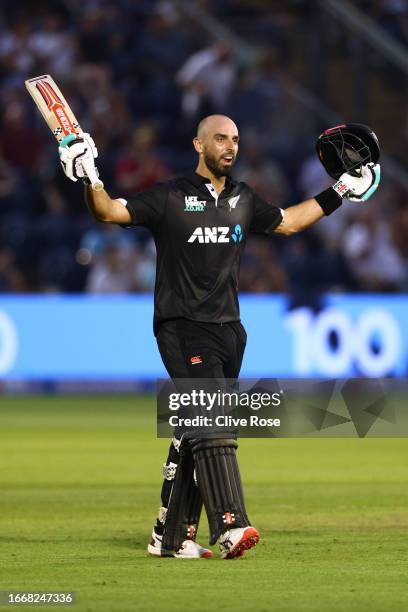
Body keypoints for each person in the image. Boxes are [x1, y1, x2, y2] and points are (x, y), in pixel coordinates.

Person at [59, 114, 380, 559]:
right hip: (181, 326)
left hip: (230, 330)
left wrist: (342, 191)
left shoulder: (243, 198)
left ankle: (168, 538)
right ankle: (231, 523)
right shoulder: (170, 196)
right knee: (214, 421)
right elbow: (109, 210)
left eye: (236, 139)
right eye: (221, 139)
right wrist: (89, 176)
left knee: (195, 428)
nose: (230, 146)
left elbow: (289, 221)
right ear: (198, 144)